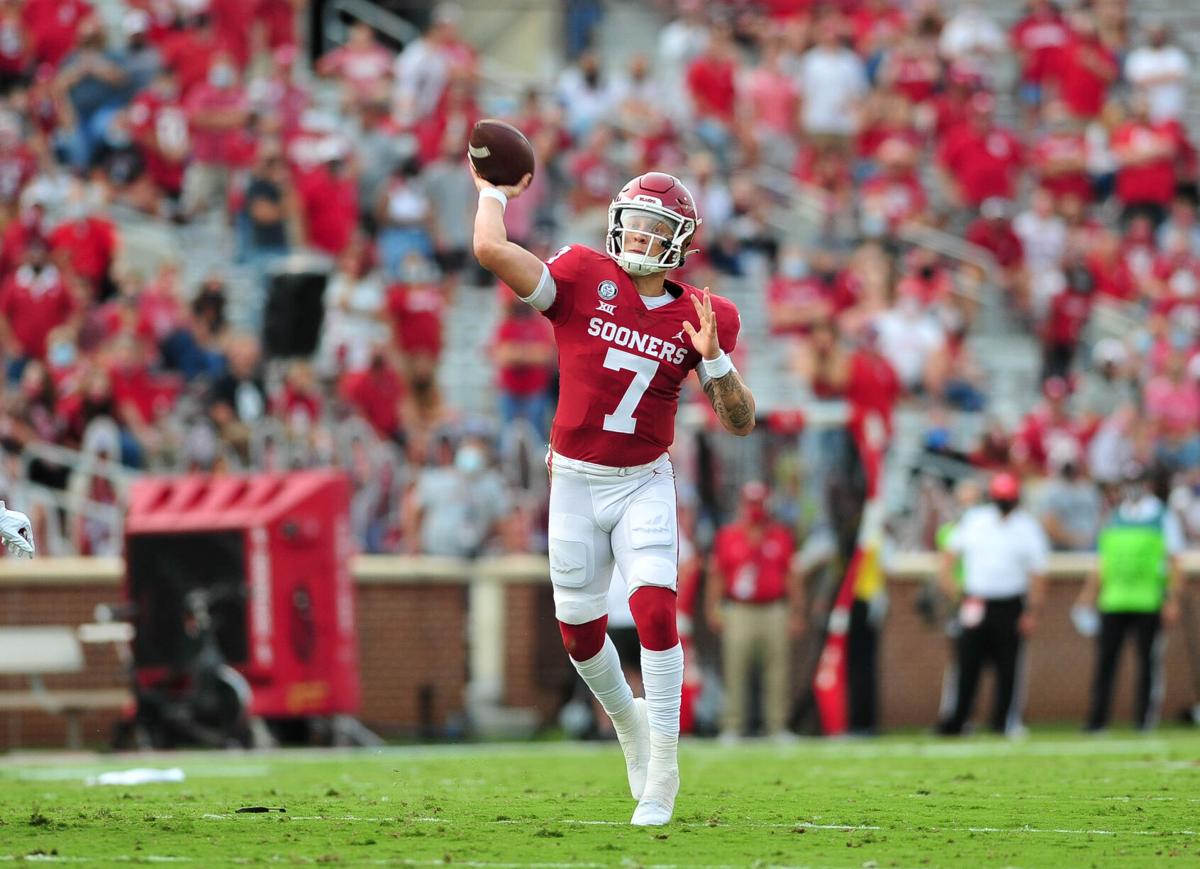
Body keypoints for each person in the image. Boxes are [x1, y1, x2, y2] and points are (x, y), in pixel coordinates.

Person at [471, 164, 755, 826]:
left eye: (657, 227)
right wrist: (492, 191)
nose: (640, 235)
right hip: (572, 478)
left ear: (680, 241)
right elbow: (490, 250)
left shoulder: (704, 314)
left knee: (655, 608)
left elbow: (741, 420)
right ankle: (629, 724)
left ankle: (664, 771)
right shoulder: (580, 275)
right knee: (578, 634)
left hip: (644, 481)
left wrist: (714, 359)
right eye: (634, 221)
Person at [937, 472, 1049, 736]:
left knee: (1009, 668)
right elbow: (948, 560)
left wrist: (1032, 611)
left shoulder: (1027, 527)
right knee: (965, 664)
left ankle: (1004, 722)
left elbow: (1038, 574)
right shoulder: (975, 521)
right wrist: (957, 595)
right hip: (976, 601)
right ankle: (957, 720)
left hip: (1010, 603)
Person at [1077, 463, 1183, 732]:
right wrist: (1088, 596)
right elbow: (1103, 561)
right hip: (1114, 600)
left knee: (1147, 663)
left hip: (1148, 600)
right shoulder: (1114, 517)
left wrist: (1171, 599)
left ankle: (1144, 720)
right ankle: (1097, 721)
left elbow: (1174, 563)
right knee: (1105, 662)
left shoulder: (1161, 517)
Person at [705, 481, 802, 743]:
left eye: (759, 504)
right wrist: (713, 608)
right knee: (735, 667)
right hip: (739, 609)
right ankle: (733, 726)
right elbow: (718, 576)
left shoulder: (781, 535)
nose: (755, 510)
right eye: (751, 504)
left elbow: (791, 575)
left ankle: (777, 725)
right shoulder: (728, 536)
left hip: (773, 608)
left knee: (777, 669)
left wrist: (796, 612)